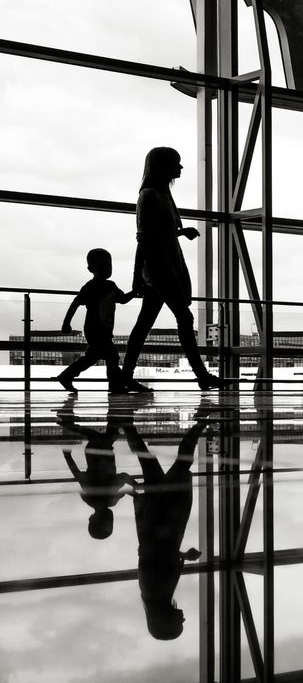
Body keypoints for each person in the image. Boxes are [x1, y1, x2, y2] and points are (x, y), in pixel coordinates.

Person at [121, 147, 232, 393]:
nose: (180, 168)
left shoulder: (161, 195)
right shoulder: (150, 196)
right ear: (162, 166)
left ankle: (125, 375)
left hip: (167, 266)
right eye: (176, 163)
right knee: (184, 317)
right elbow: (144, 240)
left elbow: (155, 234)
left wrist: (181, 232)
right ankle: (202, 376)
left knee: (144, 323)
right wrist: (137, 276)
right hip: (161, 269)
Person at [121, 406, 213, 640]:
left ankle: (201, 422)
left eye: (178, 623)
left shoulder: (158, 592)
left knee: (178, 464)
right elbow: (153, 555)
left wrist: (182, 554)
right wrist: (182, 555)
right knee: (149, 461)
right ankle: (126, 424)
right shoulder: (153, 594)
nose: (183, 618)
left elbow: (156, 553)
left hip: (165, 514)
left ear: (166, 620)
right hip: (157, 514)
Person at [57, 248, 136, 394]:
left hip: (101, 330)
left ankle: (66, 376)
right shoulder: (91, 287)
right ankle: (115, 385)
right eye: (102, 266)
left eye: (108, 266)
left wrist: (134, 292)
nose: (106, 269)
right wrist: (66, 322)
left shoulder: (110, 285)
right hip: (95, 329)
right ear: (90, 269)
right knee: (112, 356)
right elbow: (75, 303)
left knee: (92, 357)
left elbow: (123, 299)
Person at [55, 399, 130, 539]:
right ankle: (67, 421)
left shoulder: (110, 500)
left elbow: (123, 478)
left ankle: (67, 422)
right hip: (94, 454)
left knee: (108, 435)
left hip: (102, 453)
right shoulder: (92, 499)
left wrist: (133, 486)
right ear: (91, 520)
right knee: (106, 434)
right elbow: (78, 475)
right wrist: (67, 457)